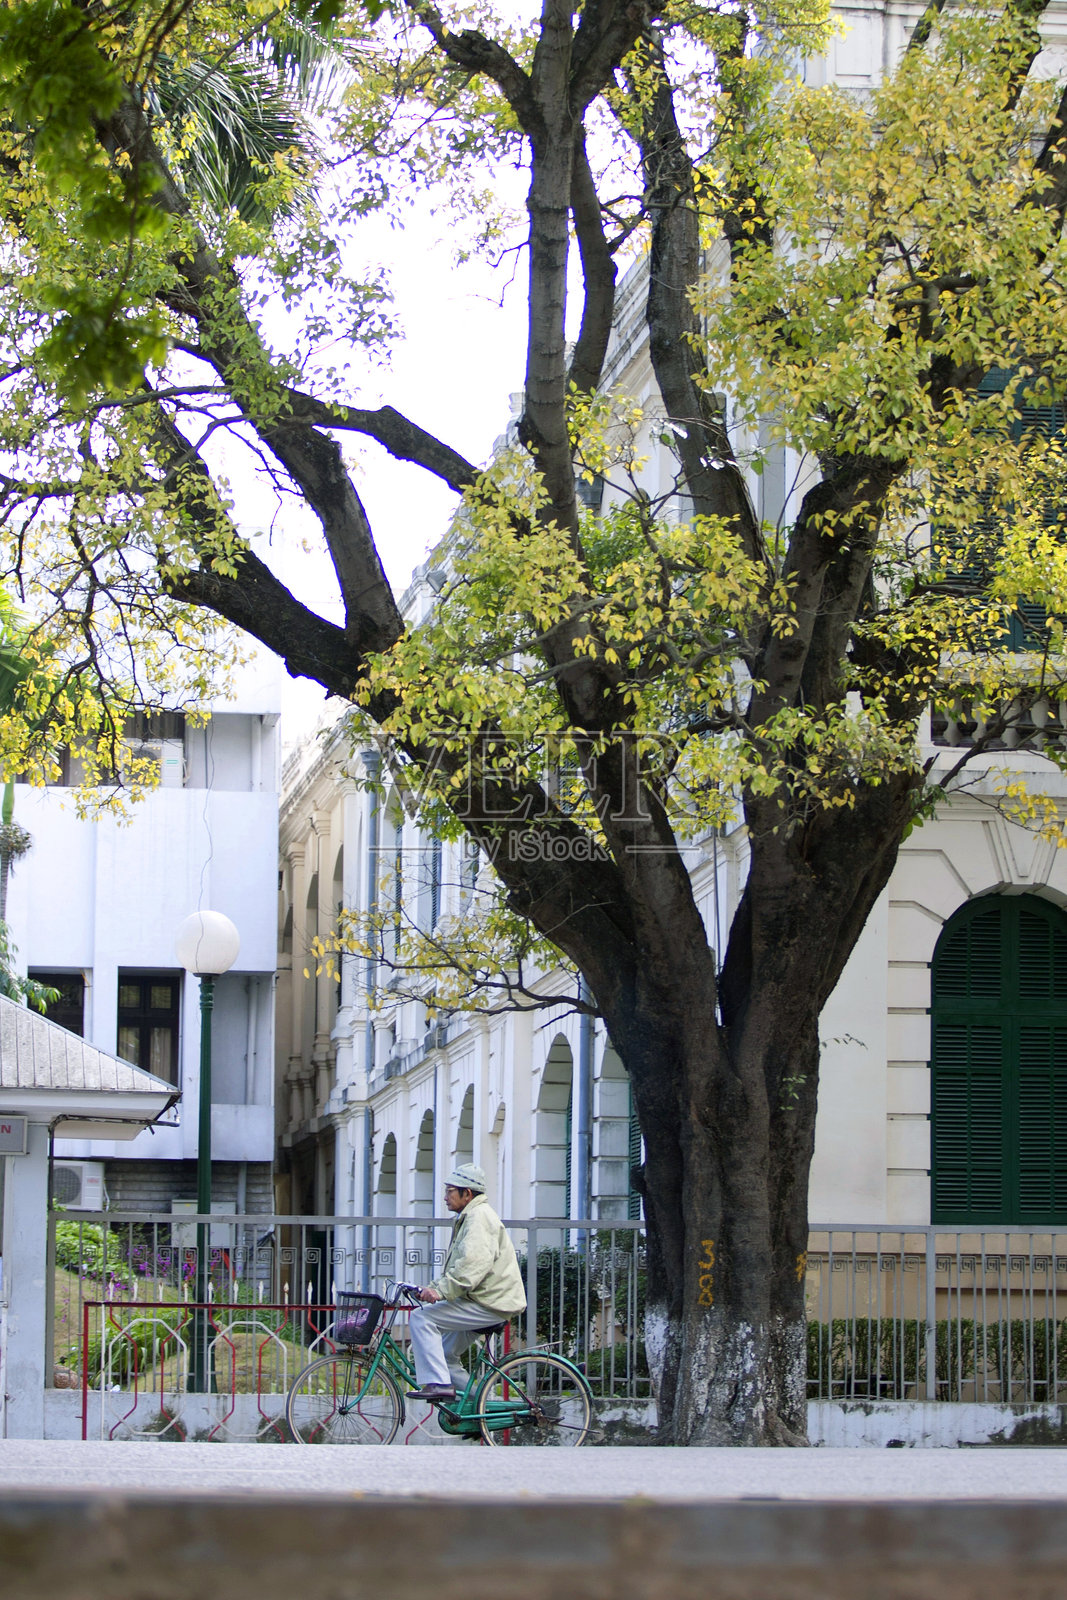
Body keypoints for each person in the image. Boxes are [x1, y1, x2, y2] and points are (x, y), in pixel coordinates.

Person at [407, 1162, 526, 1401]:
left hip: (489, 1304)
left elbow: (471, 1266)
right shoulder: (470, 1217)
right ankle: (485, 1407)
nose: (444, 1197)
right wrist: (433, 1288)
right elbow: (459, 1265)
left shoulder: (479, 1218)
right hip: (483, 1301)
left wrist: (440, 1292)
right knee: (444, 1354)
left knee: (421, 1317)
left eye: (449, 1191)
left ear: (467, 1193)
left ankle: (437, 1383)